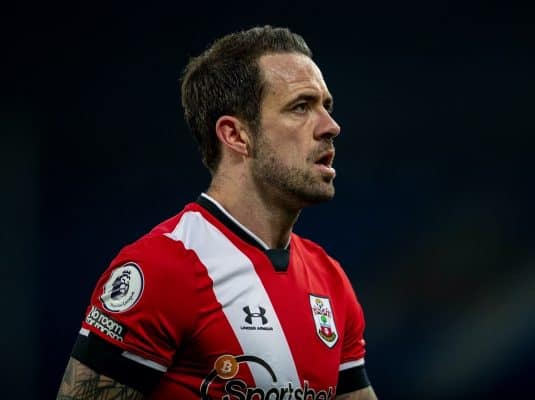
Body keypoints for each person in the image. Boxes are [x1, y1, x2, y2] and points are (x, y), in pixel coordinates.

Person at [57, 25, 377, 400]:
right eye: (301, 107)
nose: (330, 126)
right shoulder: (162, 268)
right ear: (237, 136)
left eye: (326, 107)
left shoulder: (330, 281)